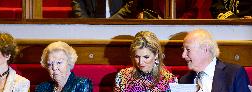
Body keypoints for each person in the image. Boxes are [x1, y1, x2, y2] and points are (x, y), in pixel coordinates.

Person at [71, 0, 212, 19]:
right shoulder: (122, 78)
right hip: (91, 22)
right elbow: (78, 3)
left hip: (120, 23)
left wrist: (112, 21)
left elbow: (132, 3)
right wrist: (87, 23)